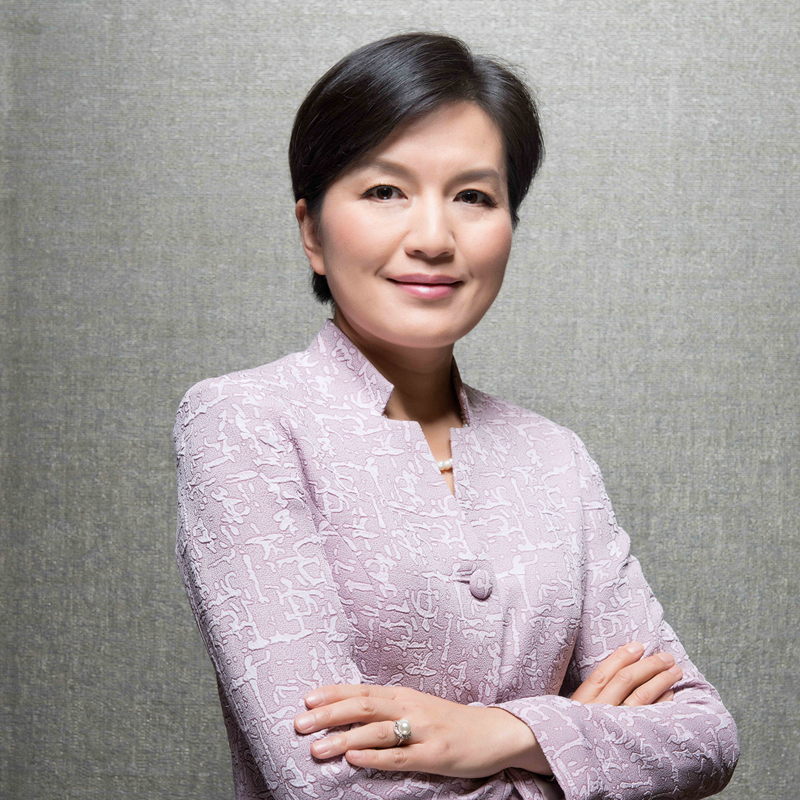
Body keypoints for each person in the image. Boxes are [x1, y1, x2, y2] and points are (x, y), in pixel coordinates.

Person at [174, 32, 738, 800]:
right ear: (312, 232)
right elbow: (331, 784)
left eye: (473, 196)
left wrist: (501, 733)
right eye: (385, 191)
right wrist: (573, 744)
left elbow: (705, 735)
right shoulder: (244, 423)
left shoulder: (554, 457)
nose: (434, 239)